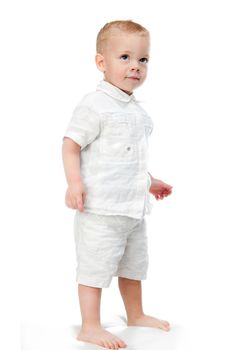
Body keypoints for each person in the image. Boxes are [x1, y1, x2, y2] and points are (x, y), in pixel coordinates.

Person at [62, 20, 173, 349]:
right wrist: (74, 183)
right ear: (101, 63)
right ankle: (90, 326)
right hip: (100, 209)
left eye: (143, 60)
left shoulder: (137, 112)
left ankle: (135, 313)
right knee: (94, 267)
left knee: (133, 264)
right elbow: (70, 145)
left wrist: (151, 182)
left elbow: (127, 161)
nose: (135, 67)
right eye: (124, 57)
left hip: (132, 210)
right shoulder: (94, 105)